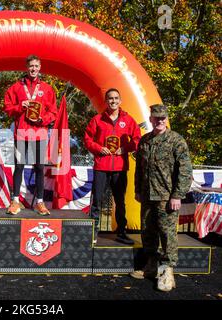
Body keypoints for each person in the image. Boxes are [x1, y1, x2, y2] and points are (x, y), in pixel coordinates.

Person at [130, 104, 192, 292]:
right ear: (151, 119)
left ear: (167, 118)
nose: (160, 120)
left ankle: (167, 271)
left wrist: (177, 195)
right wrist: (138, 190)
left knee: (167, 234)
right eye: (157, 117)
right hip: (148, 195)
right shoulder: (145, 141)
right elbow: (140, 169)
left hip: (167, 197)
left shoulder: (176, 140)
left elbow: (185, 171)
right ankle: (151, 266)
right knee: (148, 231)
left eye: (163, 117)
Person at [84, 88, 141, 244]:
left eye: (116, 98)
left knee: (120, 201)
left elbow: (137, 139)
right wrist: (98, 148)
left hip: (120, 168)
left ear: (120, 100)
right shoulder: (97, 119)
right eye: (110, 98)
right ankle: (93, 233)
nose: (113, 101)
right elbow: (88, 139)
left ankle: (121, 232)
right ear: (106, 101)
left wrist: (126, 148)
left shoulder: (128, 120)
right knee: (97, 201)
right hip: (101, 166)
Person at [4, 55, 57, 216]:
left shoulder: (47, 89)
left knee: (39, 168)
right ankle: (15, 201)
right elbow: (7, 108)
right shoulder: (16, 87)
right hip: (21, 133)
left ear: (39, 67)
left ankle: (40, 202)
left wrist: (43, 119)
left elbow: (53, 112)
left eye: (36, 66)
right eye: (30, 66)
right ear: (26, 68)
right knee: (19, 167)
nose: (33, 69)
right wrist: (21, 106)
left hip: (39, 133)